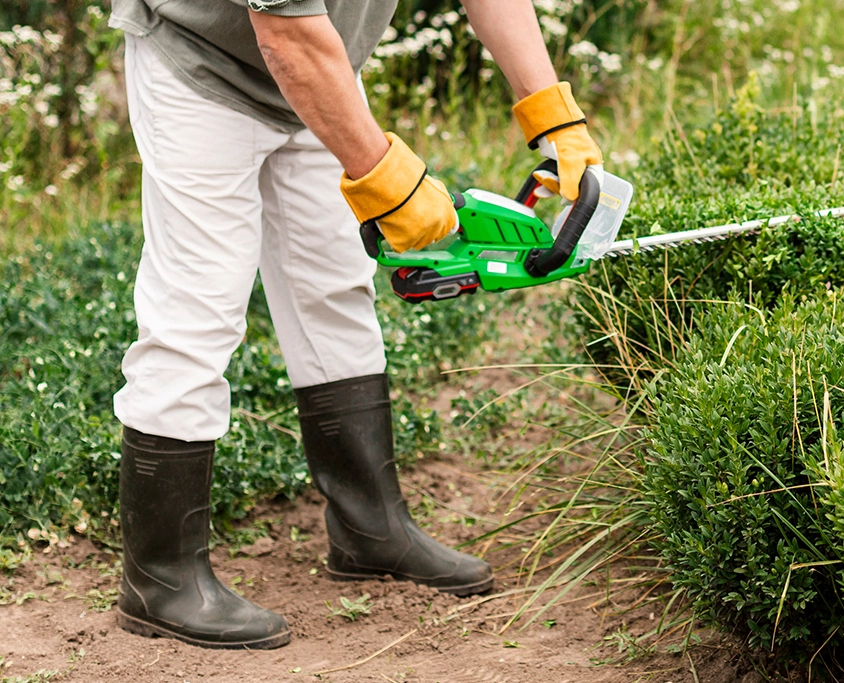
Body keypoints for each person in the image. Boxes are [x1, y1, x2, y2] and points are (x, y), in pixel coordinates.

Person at [107, 0, 603, 650]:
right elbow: (286, 35)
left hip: (320, 70)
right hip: (206, 68)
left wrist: (551, 111)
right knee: (198, 308)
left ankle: (371, 526)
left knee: (335, 288)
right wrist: (387, 179)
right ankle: (160, 576)